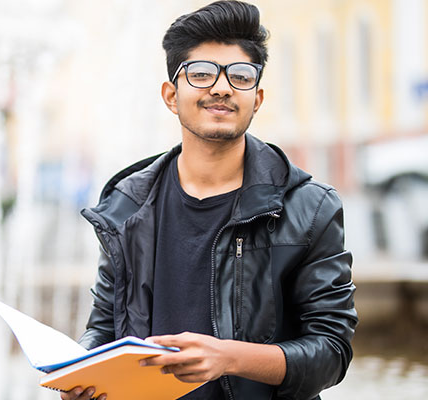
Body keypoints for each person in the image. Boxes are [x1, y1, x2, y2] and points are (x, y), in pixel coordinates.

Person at [60, 1, 358, 399]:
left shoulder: (309, 209)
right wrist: (80, 370)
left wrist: (230, 357)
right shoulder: (128, 205)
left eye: (240, 76)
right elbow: (104, 326)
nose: (221, 87)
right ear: (170, 94)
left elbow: (332, 352)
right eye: (200, 74)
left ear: (257, 97)